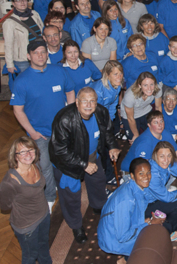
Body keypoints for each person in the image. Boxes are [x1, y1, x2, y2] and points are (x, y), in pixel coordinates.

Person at [49, 87, 120, 243]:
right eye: (84, 101)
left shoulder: (101, 112)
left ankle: (98, 206)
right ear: (77, 102)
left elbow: (108, 132)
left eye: (92, 101)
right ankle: (76, 226)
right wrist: (83, 164)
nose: (89, 105)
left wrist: (113, 145)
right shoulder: (65, 119)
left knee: (98, 181)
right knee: (71, 195)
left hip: (92, 156)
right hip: (68, 164)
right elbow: (59, 151)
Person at [11, 40, 75, 209]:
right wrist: (31, 132)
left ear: (47, 54)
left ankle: (68, 189)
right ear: (28, 56)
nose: (40, 56)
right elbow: (18, 110)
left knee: (65, 161)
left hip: (62, 131)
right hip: (39, 134)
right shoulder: (21, 81)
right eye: (35, 53)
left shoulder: (58, 71)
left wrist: (69, 115)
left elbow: (70, 91)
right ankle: (49, 197)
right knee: (44, 166)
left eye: (42, 52)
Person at [98, 157, 163, 263]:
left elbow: (147, 200)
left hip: (123, 227)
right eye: (141, 174)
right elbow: (123, 236)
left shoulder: (133, 186)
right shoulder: (126, 201)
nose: (146, 177)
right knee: (155, 244)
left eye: (148, 172)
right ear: (132, 176)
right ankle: (128, 258)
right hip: (113, 240)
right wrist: (149, 224)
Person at [0, 137, 52, 264]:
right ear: (15, 156)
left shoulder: (36, 164)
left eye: (30, 150)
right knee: (30, 256)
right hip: (27, 225)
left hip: (44, 215)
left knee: (43, 246)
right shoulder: (9, 182)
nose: (28, 154)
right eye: (22, 152)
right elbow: (5, 205)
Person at [145, 142, 177, 240]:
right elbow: (166, 198)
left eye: (169, 156)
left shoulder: (169, 162)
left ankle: (161, 219)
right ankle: (166, 232)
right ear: (155, 156)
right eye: (162, 156)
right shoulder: (152, 173)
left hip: (159, 198)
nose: (166, 160)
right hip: (147, 205)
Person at [120, 72, 163, 142]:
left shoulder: (157, 89)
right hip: (130, 116)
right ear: (139, 85)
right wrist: (136, 134)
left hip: (145, 110)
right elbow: (130, 118)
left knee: (155, 133)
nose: (149, 88)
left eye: (152, 84)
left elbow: (158, 107)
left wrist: (159, 123)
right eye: (145, 85)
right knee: (134, 140)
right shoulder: (130, 96)